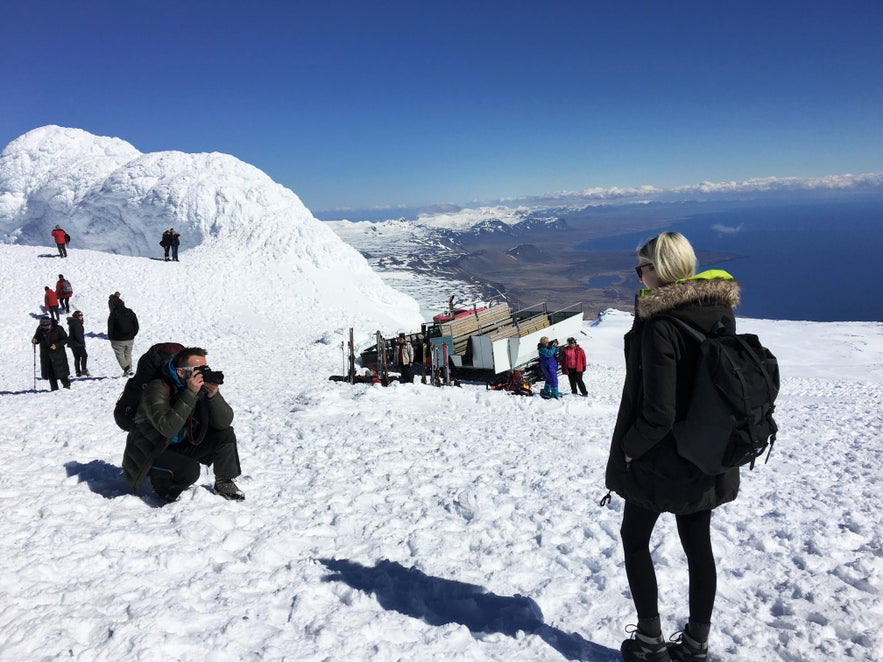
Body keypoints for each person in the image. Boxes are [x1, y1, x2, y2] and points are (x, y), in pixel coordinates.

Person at [605, 232, 742, 662]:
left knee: (634, 539)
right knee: (698, 545)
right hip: (706, 452)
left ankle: (649, 643)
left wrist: (628, 451)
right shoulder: (716, 312)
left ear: (658, 270)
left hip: (660, 461)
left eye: (641, 267)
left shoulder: (661, 325)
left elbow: (659, 412)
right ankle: (696, 646)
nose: (638, 275)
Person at [122, 346, 245, 502]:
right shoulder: (157, 388)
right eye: (197, 369)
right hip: (153, 450)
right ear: (181, 372)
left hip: (179, 443)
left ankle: (224, 482)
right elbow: (167, 429)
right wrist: (190, 393)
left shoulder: (193, 386)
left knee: (225, 434)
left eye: (204, 368)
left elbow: (224, 422)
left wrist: (213, 396)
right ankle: (164, 488)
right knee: (189, 470)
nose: (201, 373)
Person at [31, 316, 71, 390]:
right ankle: (54, 388)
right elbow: (37, 337)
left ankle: (66, 385)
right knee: (50, 372)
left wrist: (56, 345)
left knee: (61, 370)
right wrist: (35, 340)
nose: (45, 328)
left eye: (46, 326)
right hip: (46, 355)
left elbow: (66, 339)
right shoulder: (40, 329)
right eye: (43, 326)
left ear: (50, 324)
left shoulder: (58, 329)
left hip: (58, 354)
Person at [108, 295, 139, 376]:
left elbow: (110, 326)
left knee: (119, 354)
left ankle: (127, 368)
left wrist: (110, 337)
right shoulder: (130, 311)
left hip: (117, 339)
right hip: (130, 338)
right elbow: (136, 324)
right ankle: (129, 369)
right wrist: (133, 334)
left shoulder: (113, 314)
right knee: (128, 353)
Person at [67, 310, 89, 377]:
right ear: (77, 316)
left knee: (77, 358)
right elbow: (77, 334)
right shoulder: (76, 323)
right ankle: (84, 370)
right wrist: (81, 341)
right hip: (77, 343)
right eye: (80, 315)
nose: (81, 317)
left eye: (82, 315)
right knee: (84, 356)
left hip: (73, 343)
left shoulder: (73, 323)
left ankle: (78, 372)